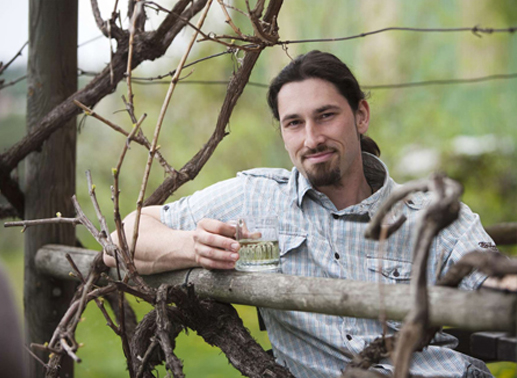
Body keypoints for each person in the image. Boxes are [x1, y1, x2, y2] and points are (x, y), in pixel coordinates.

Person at [105, 50, 499, 377]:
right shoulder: (256, 199)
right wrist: (193, 247)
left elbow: (498, 283)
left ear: (361, 116)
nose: (311, 139)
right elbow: (123, 239)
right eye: (294, 123)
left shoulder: (428, 211)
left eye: (326, 116)